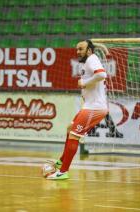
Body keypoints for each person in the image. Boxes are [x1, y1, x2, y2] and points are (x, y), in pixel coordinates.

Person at [47, 40, 109, 180]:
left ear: (89, 50)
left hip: (95, 108)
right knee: (70, 129)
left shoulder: (92, 59)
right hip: (90, 106)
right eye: (76, 49)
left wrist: (84, 83)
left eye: (80, 49)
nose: (77, 52)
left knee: (74, 135)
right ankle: (62, 161)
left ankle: (63, 172)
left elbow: (102, 75)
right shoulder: (89, 61)